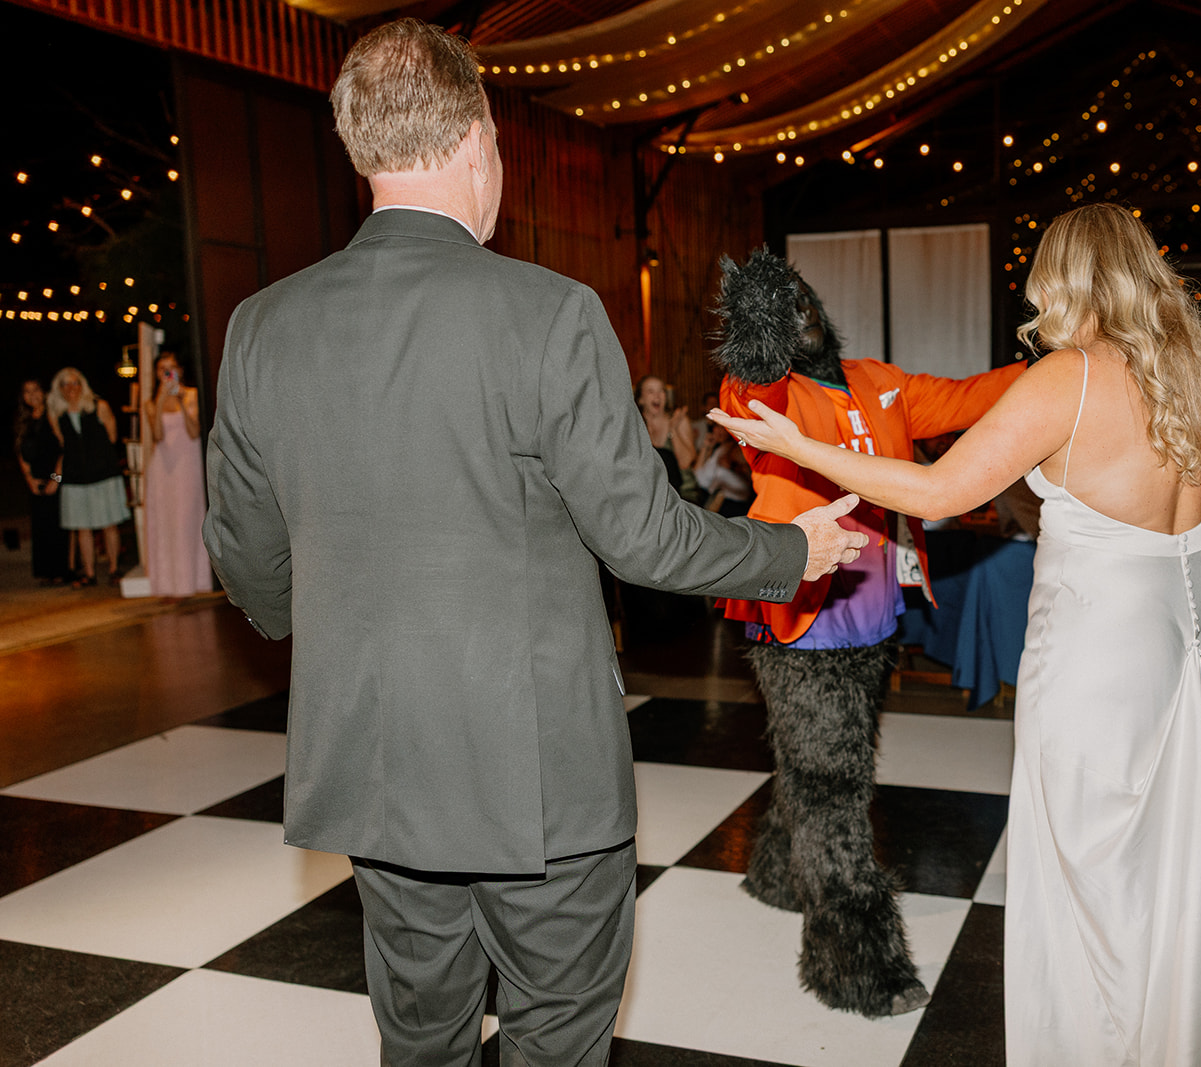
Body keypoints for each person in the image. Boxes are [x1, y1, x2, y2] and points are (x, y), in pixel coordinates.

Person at [201, 20, 865, 1066]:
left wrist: (316, 623)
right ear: (478, 141)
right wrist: (792, 552)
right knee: (557, 1037)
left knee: (420, 1041)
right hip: (540, 778)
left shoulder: (261, 326)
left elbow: (245, 553)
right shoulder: (549, 313)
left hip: (374, 762)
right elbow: (643, 537)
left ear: (361, 147)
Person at [712, 203, 1201, 1065]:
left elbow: (942, 487)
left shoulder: (1067, 376)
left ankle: (1104, 1037)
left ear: (1067, 277)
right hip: (1188, 619)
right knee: (1167, 832)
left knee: (1089, 850)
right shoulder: (1190, 365)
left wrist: (804, 448)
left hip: (1101, 640)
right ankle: (1180, 1023)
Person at [711, 247, 1026, 1018]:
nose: (801, 310)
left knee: (826, 763)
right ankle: (853, 963)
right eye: (785, 305)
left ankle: (779, 871)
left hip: (874, 609)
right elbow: (750, 376)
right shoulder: (766, 394)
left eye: (803, 297)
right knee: (834, 782)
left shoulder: (879, 381)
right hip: (804, 611)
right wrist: (757, 302)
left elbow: (972, 397)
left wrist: (1058, 362)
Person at [47, 367, 130, 587]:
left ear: (82, 385)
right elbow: (64, 448)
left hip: (103, 474)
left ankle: (114, 569)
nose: (71, 388)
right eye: (65, 384)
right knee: (82, 527)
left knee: (109, 524)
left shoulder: (99, 407)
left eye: (75, 383)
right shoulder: (57, 415)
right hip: (75, 478)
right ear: (59, 389)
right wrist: (56, 478)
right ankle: (89, 573)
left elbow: (112, 437)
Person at [143, 352, 212, 596]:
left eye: (171, 368)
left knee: (187, 520)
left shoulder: (192, 394)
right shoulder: (151, 403)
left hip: (187, 465)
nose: (167, 373)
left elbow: (194, 432)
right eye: (162, 369)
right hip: (163, 469)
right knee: (166, 524)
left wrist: (181, 401)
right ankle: (170, 586)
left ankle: (195, 581)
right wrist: (162, 399)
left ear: (180, 370)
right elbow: (158, 436)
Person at [13, 380, 71, 584]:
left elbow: (65, 448)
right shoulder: (23, 421)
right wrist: (29, 479)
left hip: (57, 477)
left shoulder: (54, 415)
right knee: (41, 526)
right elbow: (20, 452)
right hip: (36, 479)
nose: (32, 395)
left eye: (35, 390)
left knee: (59, 524)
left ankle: (63, 571)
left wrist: (56, 478)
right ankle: (46, 572)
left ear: (44, 392)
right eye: (27, 392)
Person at [635, 374, 696, 496]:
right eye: (651, 391)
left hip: (683, 494)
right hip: (649, 494)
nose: (657, 396)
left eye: (661, 390)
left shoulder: (679, 421)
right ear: (641, 399)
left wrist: (673, 429)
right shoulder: (635, 426)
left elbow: (686, 462)